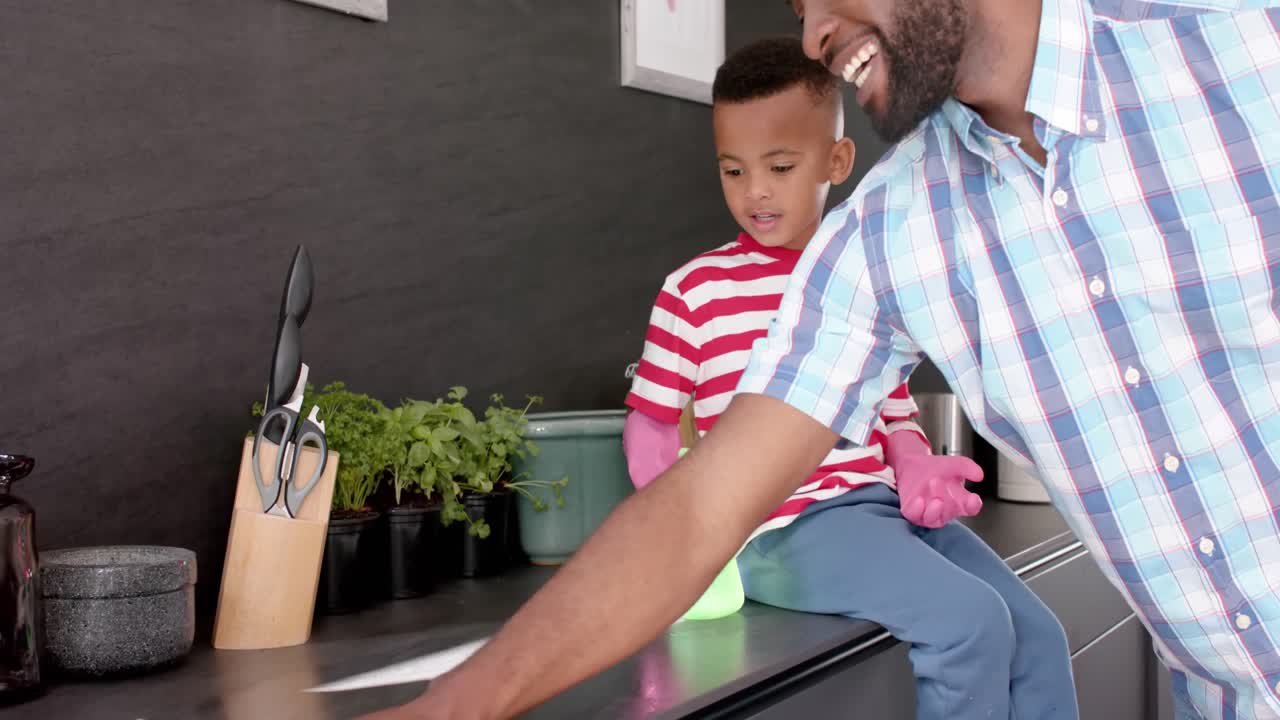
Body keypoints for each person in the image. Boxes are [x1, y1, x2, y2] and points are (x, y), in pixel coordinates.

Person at [366, 0, 1280, 718]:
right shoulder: (887, 235)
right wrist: (457, 705)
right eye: (798, 6)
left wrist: (913, 466)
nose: (813, 34)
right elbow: (701, 502)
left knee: (1021, 628)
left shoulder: (1247, 48)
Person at [620, 36, 1076, 720]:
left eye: (778, 165)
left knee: (1039, 635)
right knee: (971, 623)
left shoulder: (858, 275)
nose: (757, 191)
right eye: (734, 171)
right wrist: (687, 541)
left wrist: (917, 466)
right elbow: (651, 425)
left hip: (881, 509)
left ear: (837, 159)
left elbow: (891, 413)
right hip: (786, 527)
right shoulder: (694, 291)